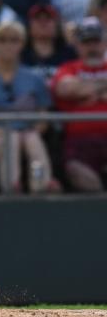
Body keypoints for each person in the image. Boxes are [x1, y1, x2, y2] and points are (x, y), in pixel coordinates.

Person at [0, 21, 59, 194]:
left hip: (29, 140)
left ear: (22, 44)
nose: (8, 45)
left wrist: (27, 134)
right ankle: (11, 190)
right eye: (2, 40)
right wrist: (10, 134)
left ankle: (41, 186)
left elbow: (43, 118)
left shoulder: (34, 78)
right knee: (13, 139)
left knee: (30, 137)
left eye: (14, 40)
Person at [51, 17, 107, 191]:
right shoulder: (68, 68)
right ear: (77, 45)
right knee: (75, 170)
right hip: (80, 141)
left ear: (104, 43)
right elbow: (65, 89)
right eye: (86, 42)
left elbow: (77, 90)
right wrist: (102, 90)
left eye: (96, 42)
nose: (92, 48)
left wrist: (85, 90)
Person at [21, 4, 76, 83]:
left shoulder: (70, 55)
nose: (43, 23)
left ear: (57, 25)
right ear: (29, 26)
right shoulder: (20, 55)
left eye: (48, 19)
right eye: (37, 19)